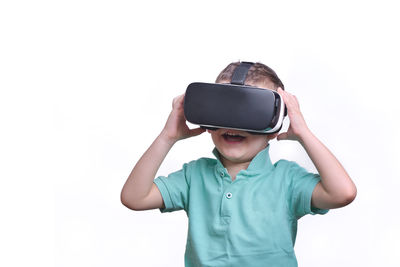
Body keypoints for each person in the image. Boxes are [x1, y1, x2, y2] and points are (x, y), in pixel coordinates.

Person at [121, 61, 357, 267]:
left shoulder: (287, 179)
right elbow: (134, 198)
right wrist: (167, 137)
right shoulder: (194, 176)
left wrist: (304, 133)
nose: (233, 124)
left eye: (251, 111)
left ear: (274, 125)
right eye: (223, 109)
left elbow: (342, 193)